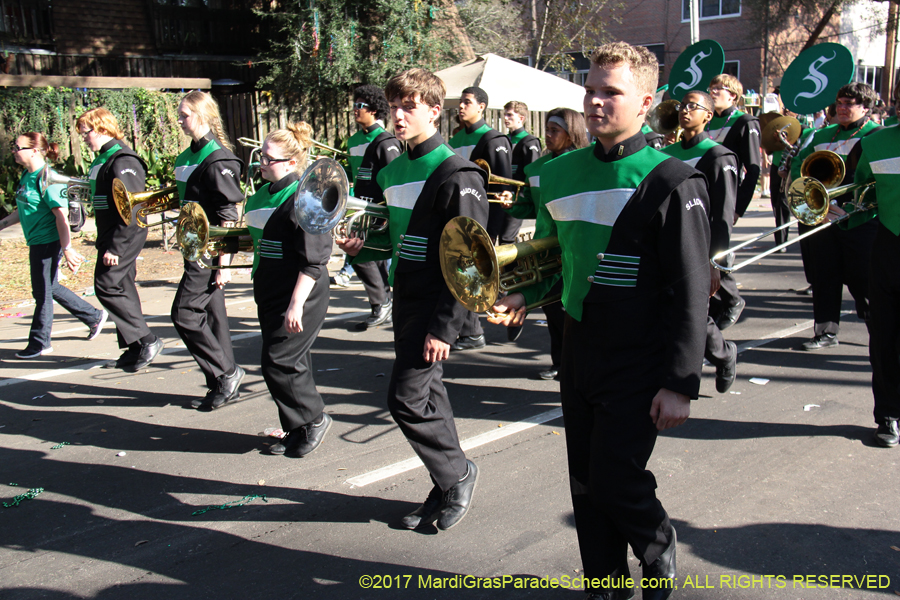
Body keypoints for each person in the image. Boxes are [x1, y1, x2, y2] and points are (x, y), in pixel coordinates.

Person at [490, 42, 710, 599]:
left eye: (611, 91)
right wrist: (522, 295)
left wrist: (680, 383)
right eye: (590, 89)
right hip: (576, 346)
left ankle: (656, 543)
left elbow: (691, 291)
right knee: (585, 482)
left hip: (641, 353)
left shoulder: (672, 179)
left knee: (615, 478)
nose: (595, 101)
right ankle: (604, 585)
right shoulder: (557, 173)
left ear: (645, 100)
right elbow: (553, 256)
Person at [337, 68, 488, 531]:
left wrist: (447, 326)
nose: (398, 116)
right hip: (406, 296)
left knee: (404, 397)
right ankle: (446, 482)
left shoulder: (457, 173)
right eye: (394, 107)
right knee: (427, 393)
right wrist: (367, 249)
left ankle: (457, 474)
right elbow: (401, 242)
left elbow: (471, 262)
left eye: (409, 107)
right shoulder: (392, 169)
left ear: (433, 110)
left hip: (436, 305)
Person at [245, 123, 334, 457]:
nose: (262, 162)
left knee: (278, 361)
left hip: (301, 291)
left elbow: (314, 259)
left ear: (292, 163)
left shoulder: (305, 197)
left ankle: (313, 419)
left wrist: (295, 304)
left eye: (269, 158)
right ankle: (296, 426)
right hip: (270, 287)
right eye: (261, 155)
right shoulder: (262, 193)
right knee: (292, 359)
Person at [790, 83, 880, 351]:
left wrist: (855, 209)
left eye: (849, 104)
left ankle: (879, 328)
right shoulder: (822, 134)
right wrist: (812, 201)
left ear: (865, 108)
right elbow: (800, 167)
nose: (841, 108)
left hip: (861, 220)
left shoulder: (876, 135)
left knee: (862, 279)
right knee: (824, 275)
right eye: (839, 102)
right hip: (823, 216)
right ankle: (825, 332)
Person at [501, 107, 588, 380]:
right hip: (545, 246)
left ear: (571, 133)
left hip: (574, 247)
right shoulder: (537, 168)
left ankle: (576, 364)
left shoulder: (585, 163)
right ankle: (560, 362)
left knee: (568, 310)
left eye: (555, 130)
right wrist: (513, 203)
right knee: (552, 308)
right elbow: (530, 206)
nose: (547, 135)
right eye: (547, 129)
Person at [662, 90, 739, 394]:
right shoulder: (667, 154)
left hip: (698, 247)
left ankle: (724, 354)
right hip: (666, 242)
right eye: (682, 105)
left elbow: (722, 217)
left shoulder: (718, 156)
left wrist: (715, 262)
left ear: (709, 115)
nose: (685, 110)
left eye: (694, 106)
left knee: (692, 311)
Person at [172, 90, 245, 409]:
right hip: (192, 246)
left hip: (209, 251)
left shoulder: (219, 160)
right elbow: (182, 199)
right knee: (213, 316)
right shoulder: (185, 157)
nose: (179, 120)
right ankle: (224, 382)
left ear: (203, 115)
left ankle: (226, 372)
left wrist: (225, 264)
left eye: (184, 114)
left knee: (184, 313)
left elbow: (230, 216)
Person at [76, 108, 163, 372]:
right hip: (107, 234)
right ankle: (134, 347)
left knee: (106, 285)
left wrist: (117, 246)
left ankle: (148, 339)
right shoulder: (102, 159)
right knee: (122, 287)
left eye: (86, 133)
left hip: (123, 235)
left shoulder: (123, 159)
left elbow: (133, 207)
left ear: (102, 129)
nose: (84, 139)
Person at [10, 132, 107, 359]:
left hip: (47, 241)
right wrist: (3, 223)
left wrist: (67, 248)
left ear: (34, 150)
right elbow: (24, 207)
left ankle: (40, 343)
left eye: (18, 147)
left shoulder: (47, 178)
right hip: (36, 241)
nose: (14, 151)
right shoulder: (27, 176)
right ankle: (93, 316)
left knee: (42, 292)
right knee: (49, 286)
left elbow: (61, 217)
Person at [447, 85, 512, 351]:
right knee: (462, 272)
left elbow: (504, 189)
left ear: (481, 106)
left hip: (482, 220)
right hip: (458, 216)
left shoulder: (494, 140)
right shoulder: (454, 139)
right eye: (460, 102)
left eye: (467, 102)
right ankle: (470, 330)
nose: (461, 106)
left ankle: (473, 331)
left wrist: (494, 231)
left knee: (471, 274)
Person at [855, 122, 900, 447]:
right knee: (884, 336)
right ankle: (888, 414)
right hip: (889, 248)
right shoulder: (876, 143)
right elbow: (862, 194)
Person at [346, 84, 403, 330]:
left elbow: (393, 179)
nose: (355, 109)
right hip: (361, 208)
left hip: (379, 211)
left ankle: (383, 303)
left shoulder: (386, 142)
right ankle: (381, 302)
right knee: (362, 256)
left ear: (375, 109)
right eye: (354, 105)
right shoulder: (353, 141)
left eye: (361, 105)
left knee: (363, 255)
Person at [706, 73, 760, 330]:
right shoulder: (706, 120)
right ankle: (716, 302)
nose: (714, 92)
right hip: (703, 196)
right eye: (712, 88)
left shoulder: (745, 121)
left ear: (733, 95)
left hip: (727, 197)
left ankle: (732, 300)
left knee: (718, 250)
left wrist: (739, 207)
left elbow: (753, 168)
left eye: (720, 88)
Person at [501, 99, 543, 342]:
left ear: (522, 118)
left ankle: (516, 293)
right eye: (505, 115)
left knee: (509, 246)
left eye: (510, 115)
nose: (507, 118)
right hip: (508, 200)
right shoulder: (506, 141)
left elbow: (530, 179)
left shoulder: (529, 143)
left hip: (522, 203)